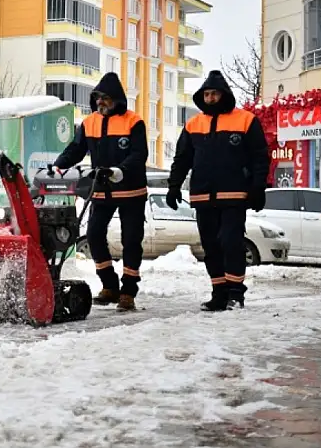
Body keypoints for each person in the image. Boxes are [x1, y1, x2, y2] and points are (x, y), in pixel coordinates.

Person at [166, 70, 269, 312]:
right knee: (211, 247)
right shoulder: (193, 124)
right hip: (202, 196)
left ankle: (235, 294)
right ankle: (219, 293)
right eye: (207, 94)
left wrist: (258, 187)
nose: (210, 98)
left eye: (214, 94)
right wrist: (173, 186)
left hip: (234, 195)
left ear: (224, 95)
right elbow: (182, 159)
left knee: (231, 242)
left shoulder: (246, 120)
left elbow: (259, 157)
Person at [52, 72, 148, 312]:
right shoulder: (90, 122)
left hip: (131, 192)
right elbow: (76, 149)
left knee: (131, 240)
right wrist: (58, 166)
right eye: (97, 98)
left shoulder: (133, 122)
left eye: (105, 98)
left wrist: (119, 170)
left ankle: (128, 292)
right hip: (101, 190)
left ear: (116, 99)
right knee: (94, 236)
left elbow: (139, 154)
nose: (100, 102)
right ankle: (109, 285)